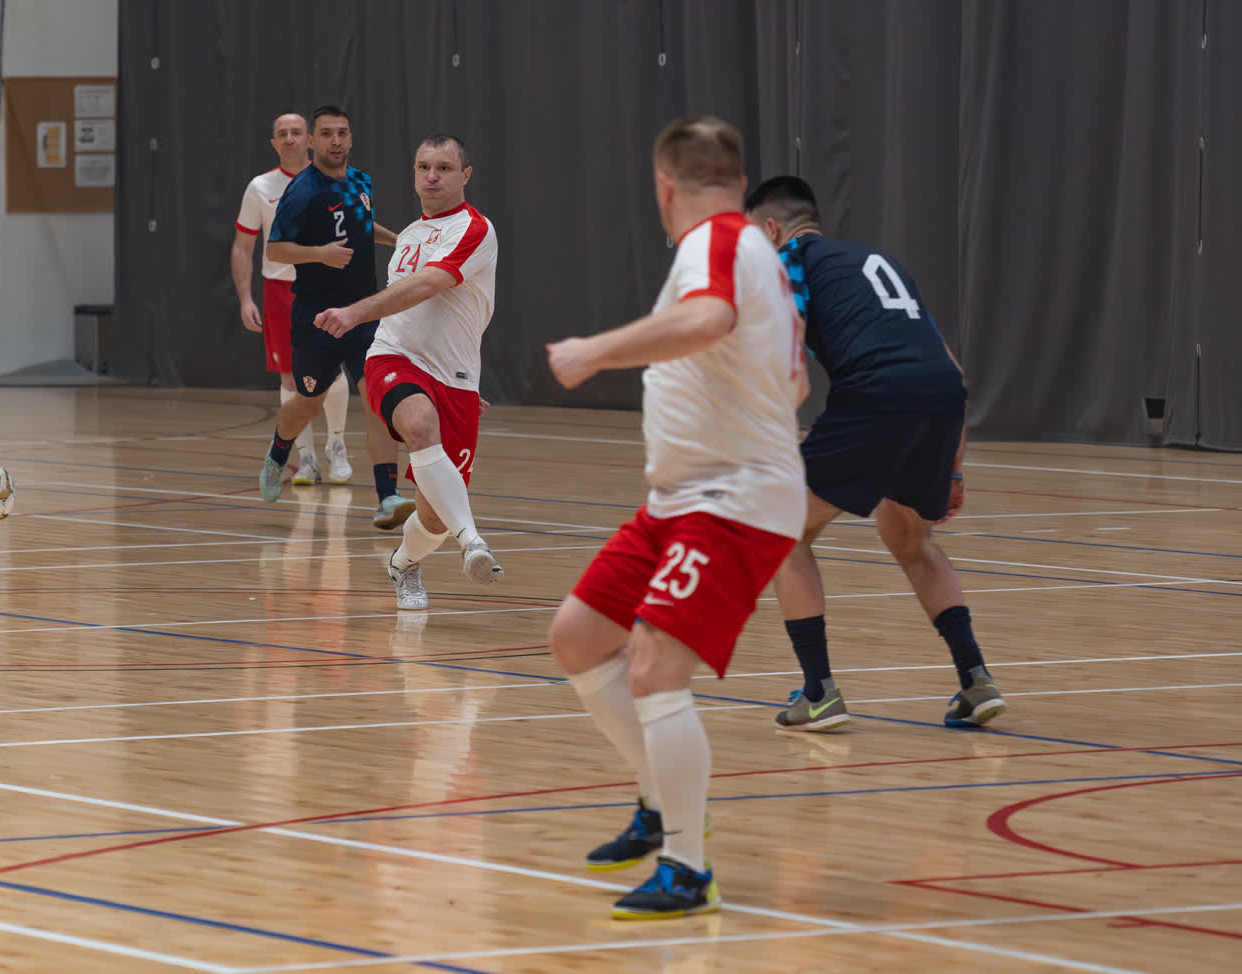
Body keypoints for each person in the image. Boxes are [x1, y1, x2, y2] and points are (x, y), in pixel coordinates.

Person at [544, 115, 807, 920]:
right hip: (682, 495)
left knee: (654, 664)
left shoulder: (717, 242)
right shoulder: (753, 252)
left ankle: (689, 870)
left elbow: (708, 320)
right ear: (737, 177)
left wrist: (594, 350)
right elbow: (794, 382)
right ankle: (661, 803)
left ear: (665, 186)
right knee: (578, 636)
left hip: (731, 499)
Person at [744, 175, 1006, 732]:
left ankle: (819, 693)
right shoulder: (874, 261)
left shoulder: (787, 259)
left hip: (879, 393)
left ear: (770, 229)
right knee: (910, 538)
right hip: (940, 398)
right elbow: (952, 370)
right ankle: (976, 680)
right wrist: (954, 469)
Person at [314, 134, 503, 608]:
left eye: (444, 168)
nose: (432, 176)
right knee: (418, 425)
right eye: (423, 167)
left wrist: (457, 382)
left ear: (466, 175)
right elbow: (413, 304)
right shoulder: (411, 235)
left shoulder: (475, 229)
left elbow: (431, 286)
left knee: (433, 517)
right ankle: (473, 542)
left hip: (454, 381)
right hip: (392, 357)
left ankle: (403, 563)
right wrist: (357, 316)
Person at [259, 105, 411, 528]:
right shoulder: (302, 191)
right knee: (307, 403)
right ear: (313, 141)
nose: (336, 141)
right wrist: (319, 254)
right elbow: (275, 249)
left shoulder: (361, 181)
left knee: (378, 401)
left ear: (351, 137)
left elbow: (362, 225)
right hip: (317, 319)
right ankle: (279, 450)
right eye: (327, 133)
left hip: (364, 313)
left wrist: (398, 240)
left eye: (342, 133)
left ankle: (387, 497)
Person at [231, 112, 353, 486]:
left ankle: (336, 445)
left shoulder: (337, 181)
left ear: (310, 139)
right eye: (281, 133)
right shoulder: (259, 187)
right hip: (280, 291)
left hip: (327, 286)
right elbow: (243, 247)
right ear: (273, 143)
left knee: (334, 368)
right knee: (291, 375)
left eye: (296, 132)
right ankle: (307, 458)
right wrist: (245, 299)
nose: (289, 139)